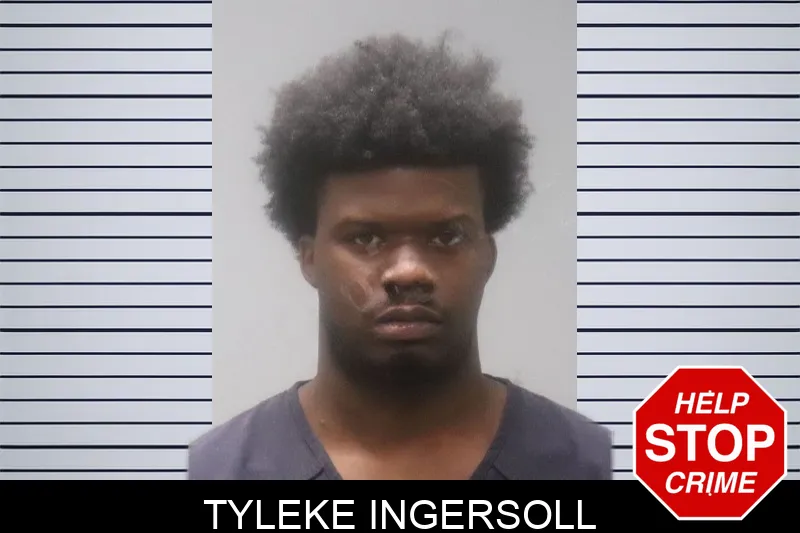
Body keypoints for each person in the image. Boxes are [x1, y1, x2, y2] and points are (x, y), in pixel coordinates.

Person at [189, 32, 612, 480]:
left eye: (447, 236)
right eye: (365, 238)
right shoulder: (214, 471)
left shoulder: (594, 464)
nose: (408, 271)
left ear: (488, 254)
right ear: (309, 258)